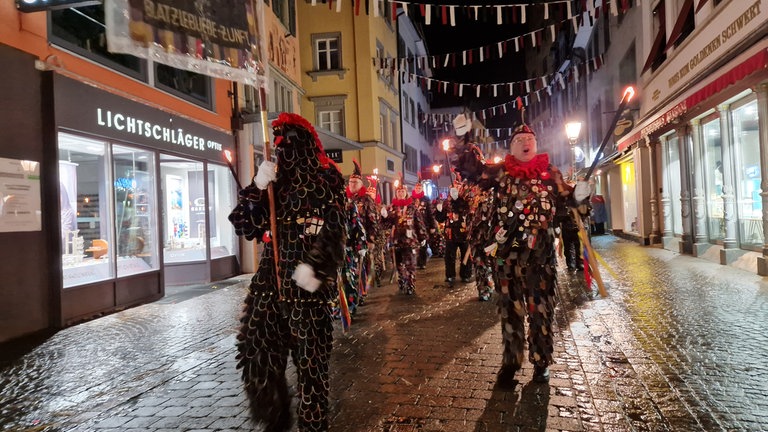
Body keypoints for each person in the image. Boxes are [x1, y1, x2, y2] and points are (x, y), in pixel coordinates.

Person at [228, 112, 347, 432]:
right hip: (269, 284)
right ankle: (274, 418)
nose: (283, 148)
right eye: (279, 141)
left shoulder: (327, 178)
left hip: (307, 290)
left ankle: (313, 424)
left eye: (289, 139)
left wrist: (315, 267)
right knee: (256, 351)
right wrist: (256, 186)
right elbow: (245, 224)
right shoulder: (273, 183)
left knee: (311, 366)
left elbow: (336, 230)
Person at [453, 123, 585, 384]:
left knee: (541, 311)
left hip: (541, 259)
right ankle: (511, 363)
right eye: (520, 139)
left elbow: (570, 201)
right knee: (510, 312)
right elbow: (475, 172)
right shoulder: (502, 172)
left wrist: (581, 196)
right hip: (507, 258)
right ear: (512, 146)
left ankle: (541, 362)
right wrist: (465, 141)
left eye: (529, 138)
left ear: (535, 144)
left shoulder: (550, 173)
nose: (526, 142)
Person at [381, 177, 427, 295]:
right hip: (397, 241)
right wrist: (384, 216)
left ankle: (410, 284)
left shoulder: (412, 207)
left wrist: (422, 237)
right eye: (398, 192)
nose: (400, 193)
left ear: (406, 193)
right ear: (396, 193)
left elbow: (419, 222)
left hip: (410, 241)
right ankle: (402, 280)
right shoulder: (392, 208)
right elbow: (386, 224)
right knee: (399, 263)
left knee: (410, 264)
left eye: (402, 191)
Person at [434, 176, 472, 286]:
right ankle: (450, 275)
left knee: (466, 254)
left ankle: (465, 274)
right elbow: (441, 218)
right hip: (450, 233)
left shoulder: (466, 200)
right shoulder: (447, 202)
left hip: (463, 232)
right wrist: (439, 211)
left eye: (459, 186)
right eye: (455, 186)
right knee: (449, 256)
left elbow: (469, 213)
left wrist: (459, 201)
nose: (457, 188)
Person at [411, 173, 437, 269]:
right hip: (413, 226)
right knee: (414, 243)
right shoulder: (411, 199)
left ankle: (422, 262)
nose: (418, 189)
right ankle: (415, 261)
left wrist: (432, 226)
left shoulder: (426, 199)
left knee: (423, 244)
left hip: (424, 225)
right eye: (416, 188)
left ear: (422, 189)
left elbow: (430, 213)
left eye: (420, 188)